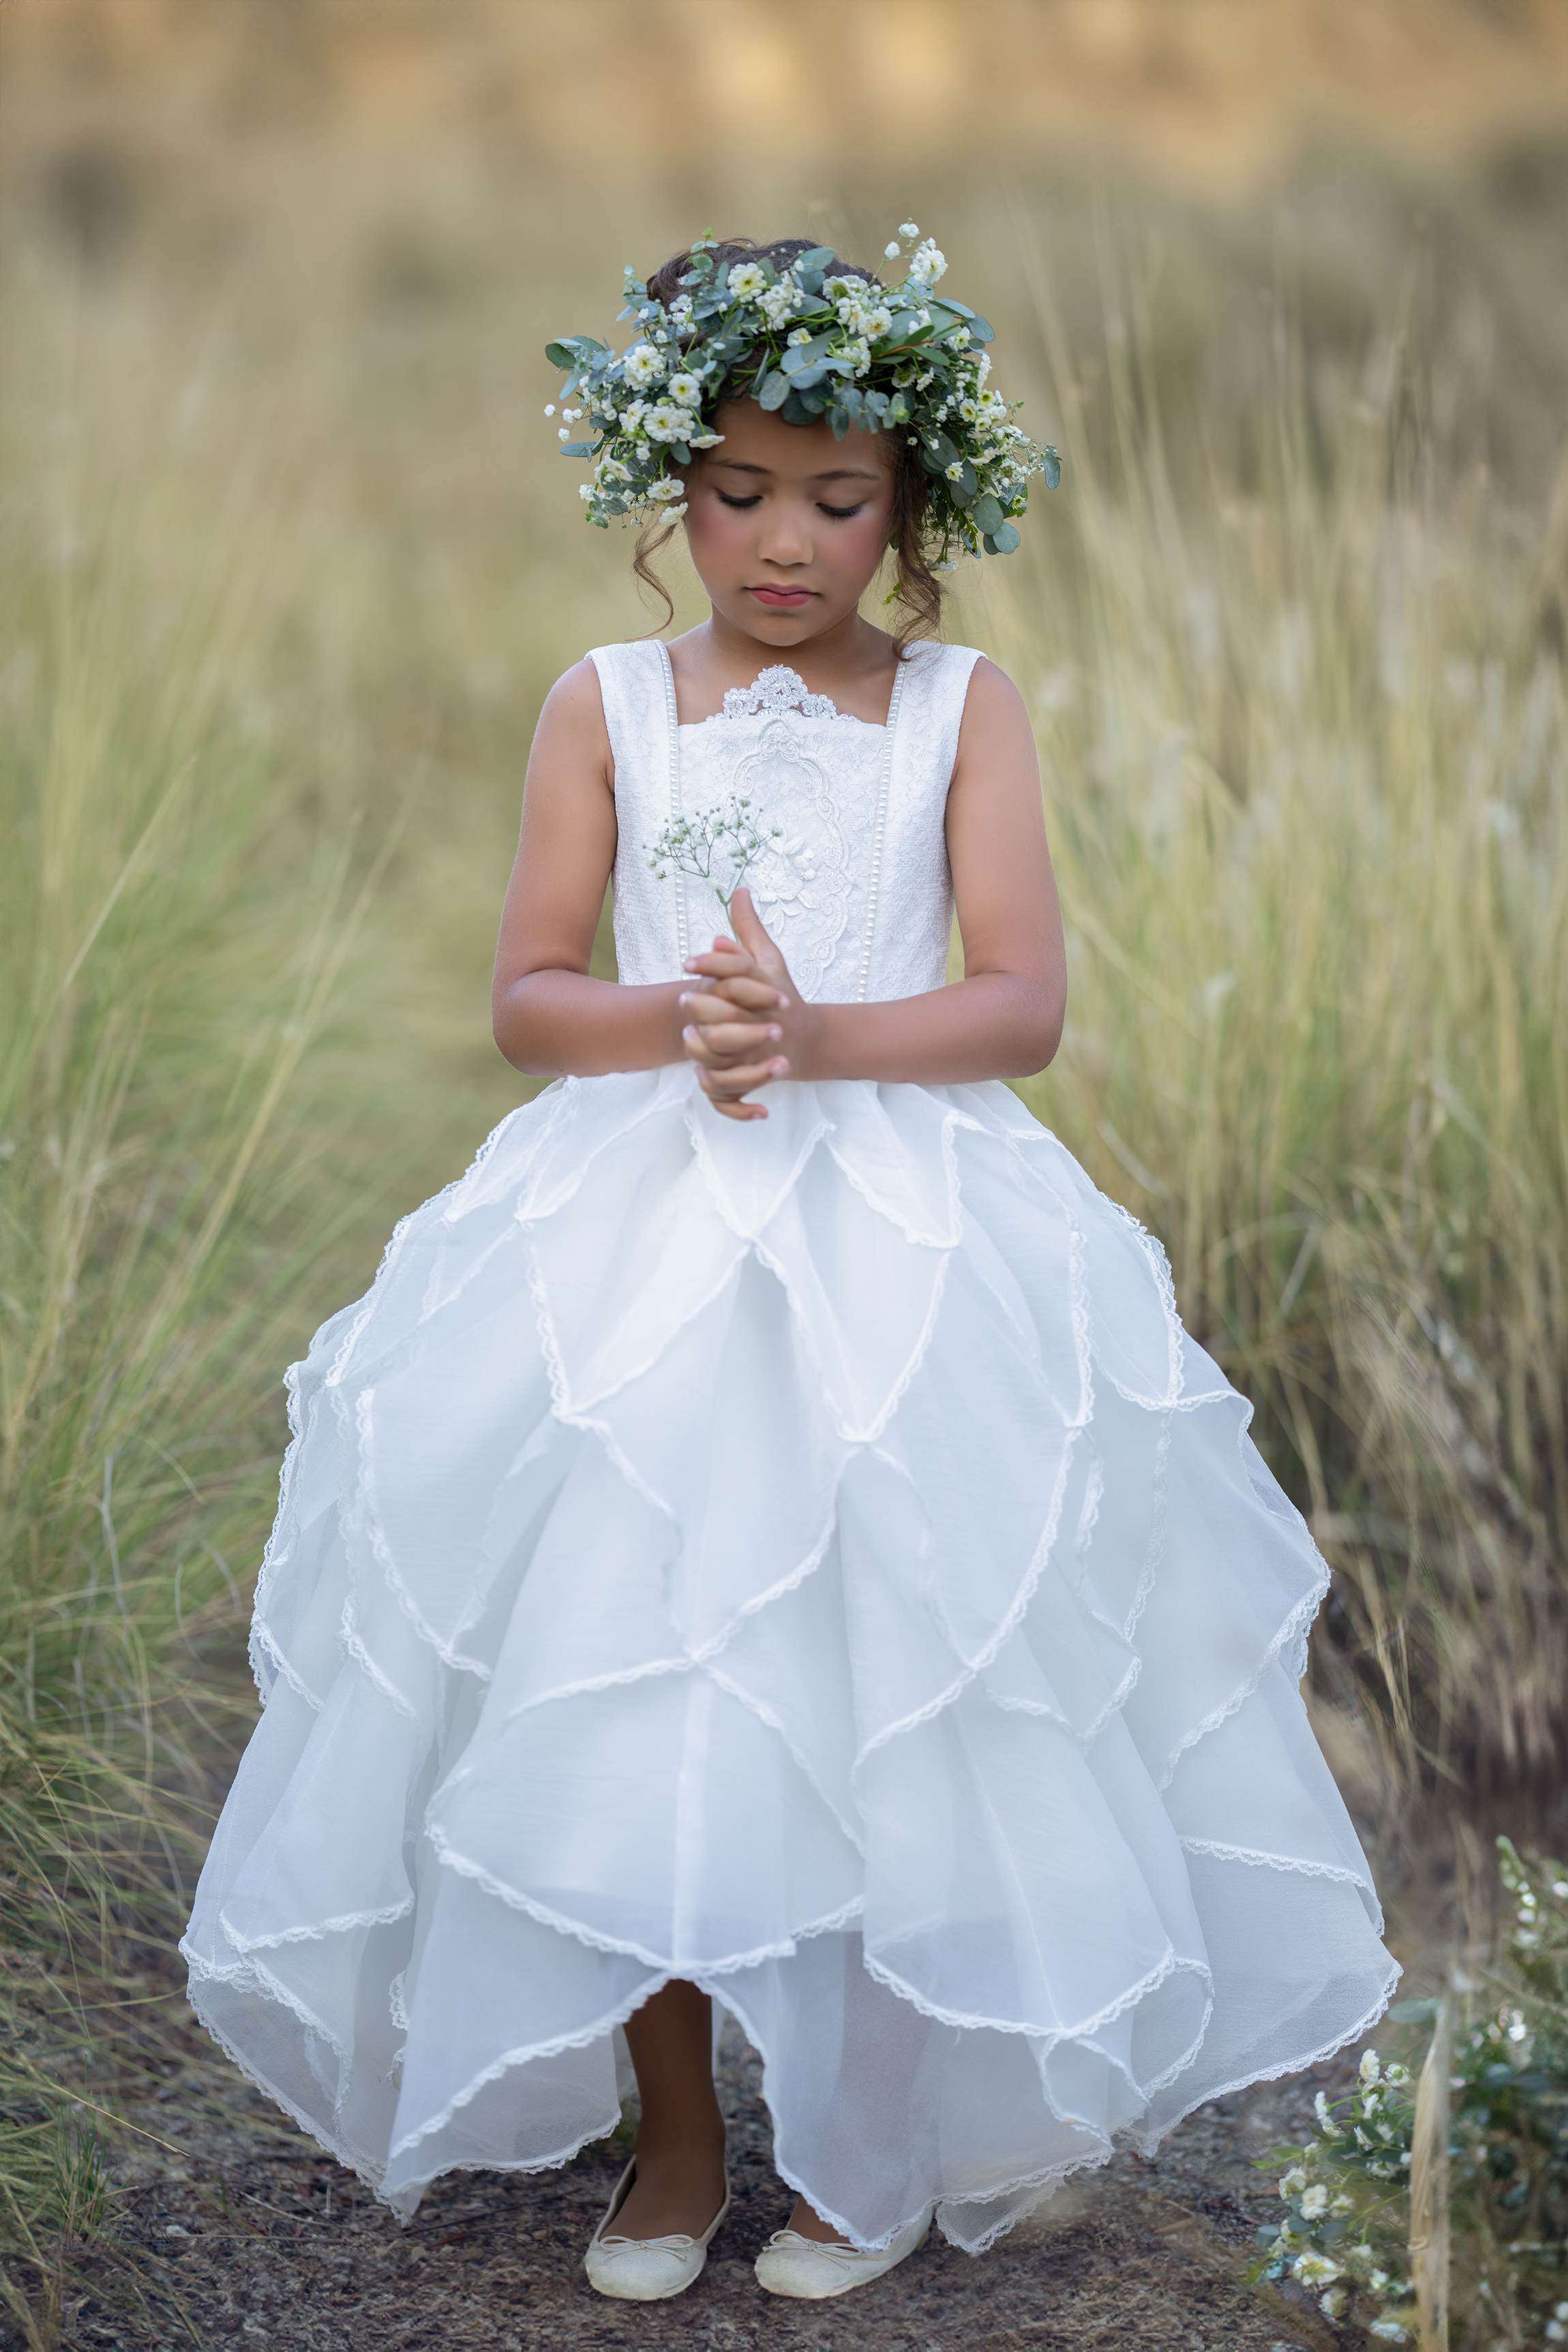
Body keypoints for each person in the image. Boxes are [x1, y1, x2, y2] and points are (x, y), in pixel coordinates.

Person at [182, 228, 1398, 2306]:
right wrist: (685, 1019)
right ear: (673, 487)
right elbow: (527, 993)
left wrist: (818, 1035)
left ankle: (866, 2145)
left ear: (910, 508)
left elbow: (1015, 1003)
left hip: (905, 1241)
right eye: (738, 491)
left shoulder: (956, 706)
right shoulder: (605, 706)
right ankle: (671, 2141)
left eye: (838, 501)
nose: (783, 540)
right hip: (632, 1238)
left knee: (889, 1673)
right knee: (626, 1664)